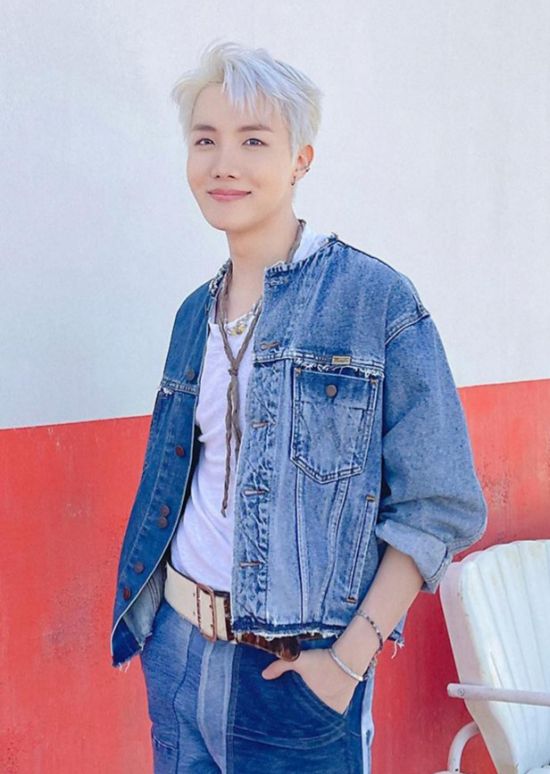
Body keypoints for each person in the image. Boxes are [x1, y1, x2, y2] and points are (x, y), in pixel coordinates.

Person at [110, 40, 488, 773]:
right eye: (205, 140)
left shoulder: (374, 301)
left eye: (253, 140)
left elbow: (440, 505)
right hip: (178, 652)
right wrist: (158, 639)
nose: (224, 163)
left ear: (300, 161)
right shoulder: (193, 313)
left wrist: (346, 663)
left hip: (297, 677)